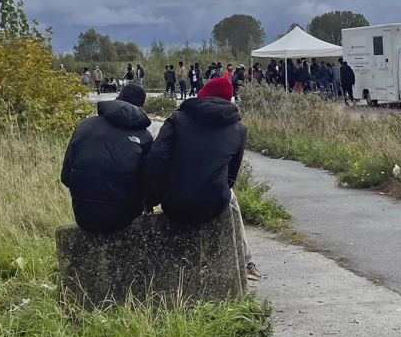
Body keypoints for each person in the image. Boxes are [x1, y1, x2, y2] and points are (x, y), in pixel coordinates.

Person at [144, 75, 259, 280]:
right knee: (231, 197)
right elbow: (230, 176)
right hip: (214, 203)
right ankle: (246, 262)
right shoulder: (239, 129)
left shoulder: (177, 119)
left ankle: (247, 263)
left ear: (202, 96)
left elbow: (157, 159)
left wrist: (151, 199)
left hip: (174, 203)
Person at [60, 83, 154, 233]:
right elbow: (151, 185)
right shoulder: (144, 136)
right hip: (125, 218)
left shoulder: (84, 127)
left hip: (84, 217)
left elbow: (65, 177)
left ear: (118, 98)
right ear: (140, 107)